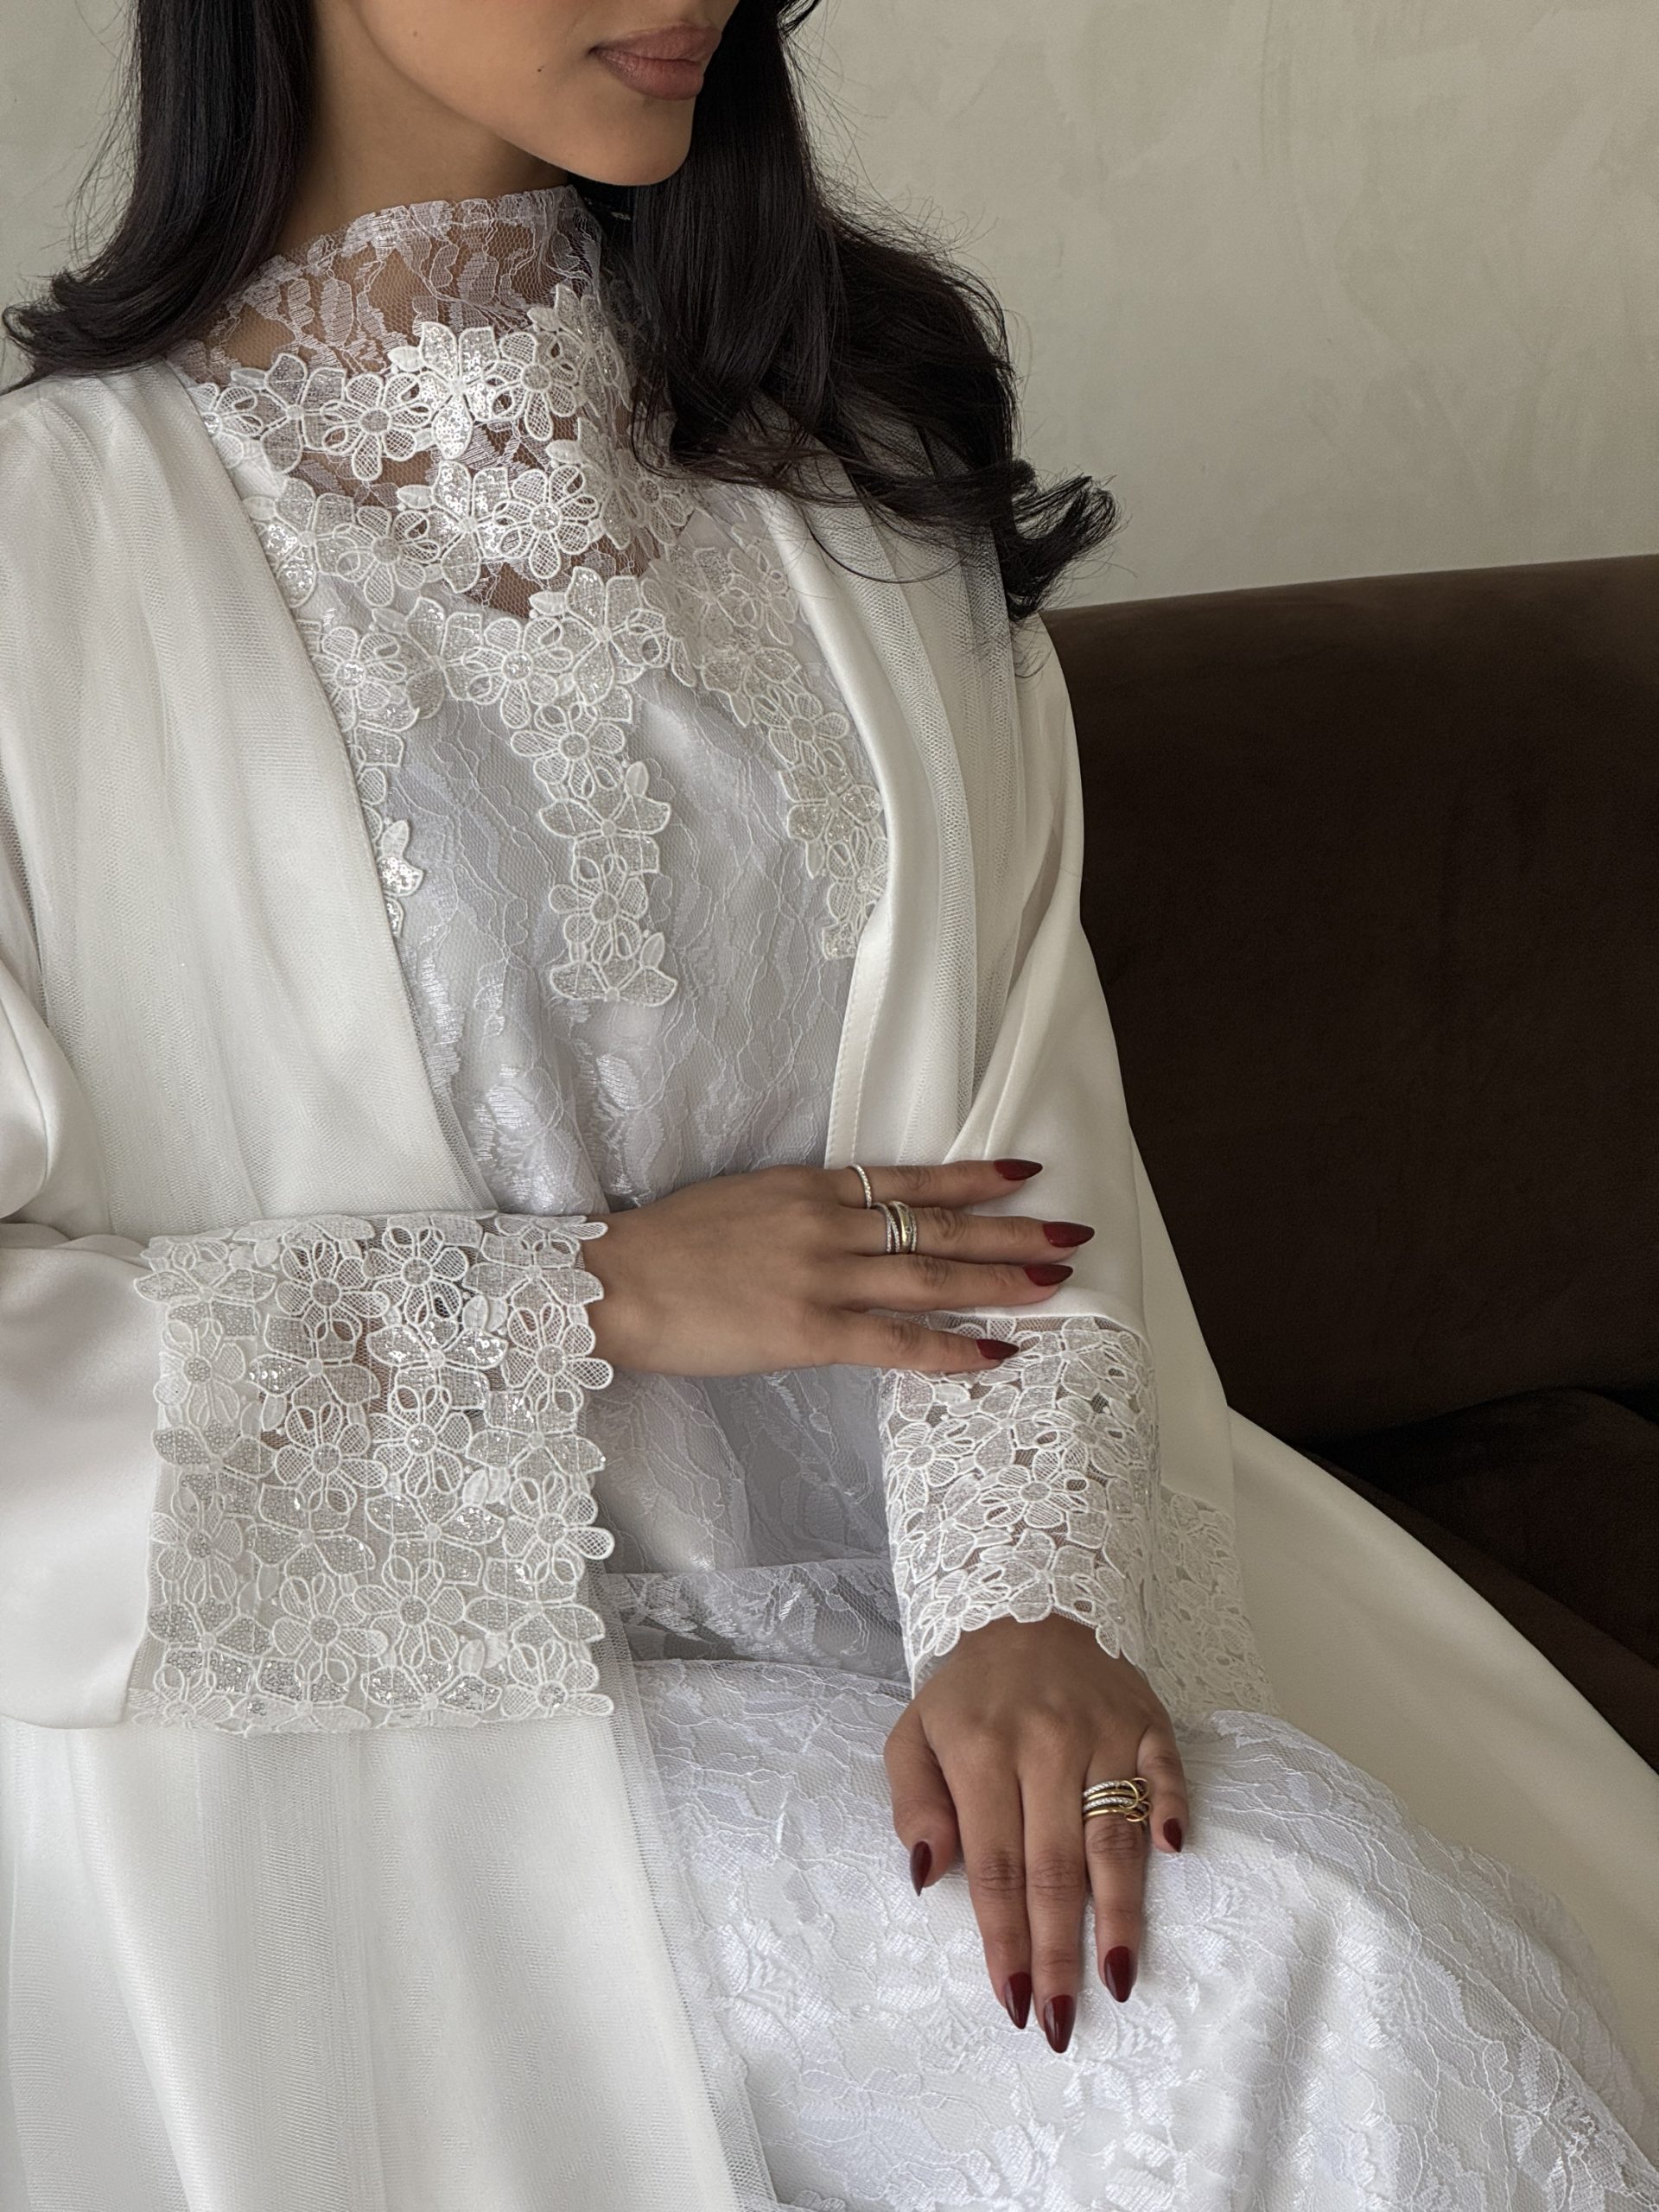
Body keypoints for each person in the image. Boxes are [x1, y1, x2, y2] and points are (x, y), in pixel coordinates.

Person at [0, 2, 1654, 2205]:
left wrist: (1032, 1609)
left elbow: (1015, 1125)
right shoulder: (39, 563)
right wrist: (587, 1298)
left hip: (939, 1597)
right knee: (1323, 1964)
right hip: (395, 1730)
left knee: (1349, 1928)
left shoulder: (850, 476)